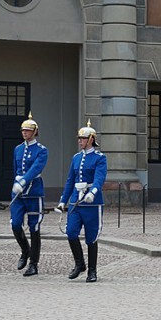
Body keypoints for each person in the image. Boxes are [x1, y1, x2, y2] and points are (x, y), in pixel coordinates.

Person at [57, 119, 107, 283]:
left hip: (92, 202)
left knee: (91, 237)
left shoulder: (100, 158)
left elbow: (99, 178)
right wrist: (63, 201)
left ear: (91, 139)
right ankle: (80, 264)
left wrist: (92, 191)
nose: (80, 141)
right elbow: (70, 181)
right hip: (75, 202)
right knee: (71, 232)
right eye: (79, 139)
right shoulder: (76, 158)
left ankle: (92, 270)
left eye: (83, 139)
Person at [10, 112, 48, 277]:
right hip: (18, 195)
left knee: (34, 227)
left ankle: (33, 263)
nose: (24, 133)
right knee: (15, 224)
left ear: (34, 132)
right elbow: (15, 168)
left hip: (33, 192)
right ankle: (25, 250)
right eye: (23, 130)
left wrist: (23, 182)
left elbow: (36, 169)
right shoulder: (18, 149)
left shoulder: (41, 150)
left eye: (27, 130)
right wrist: (16, 184)